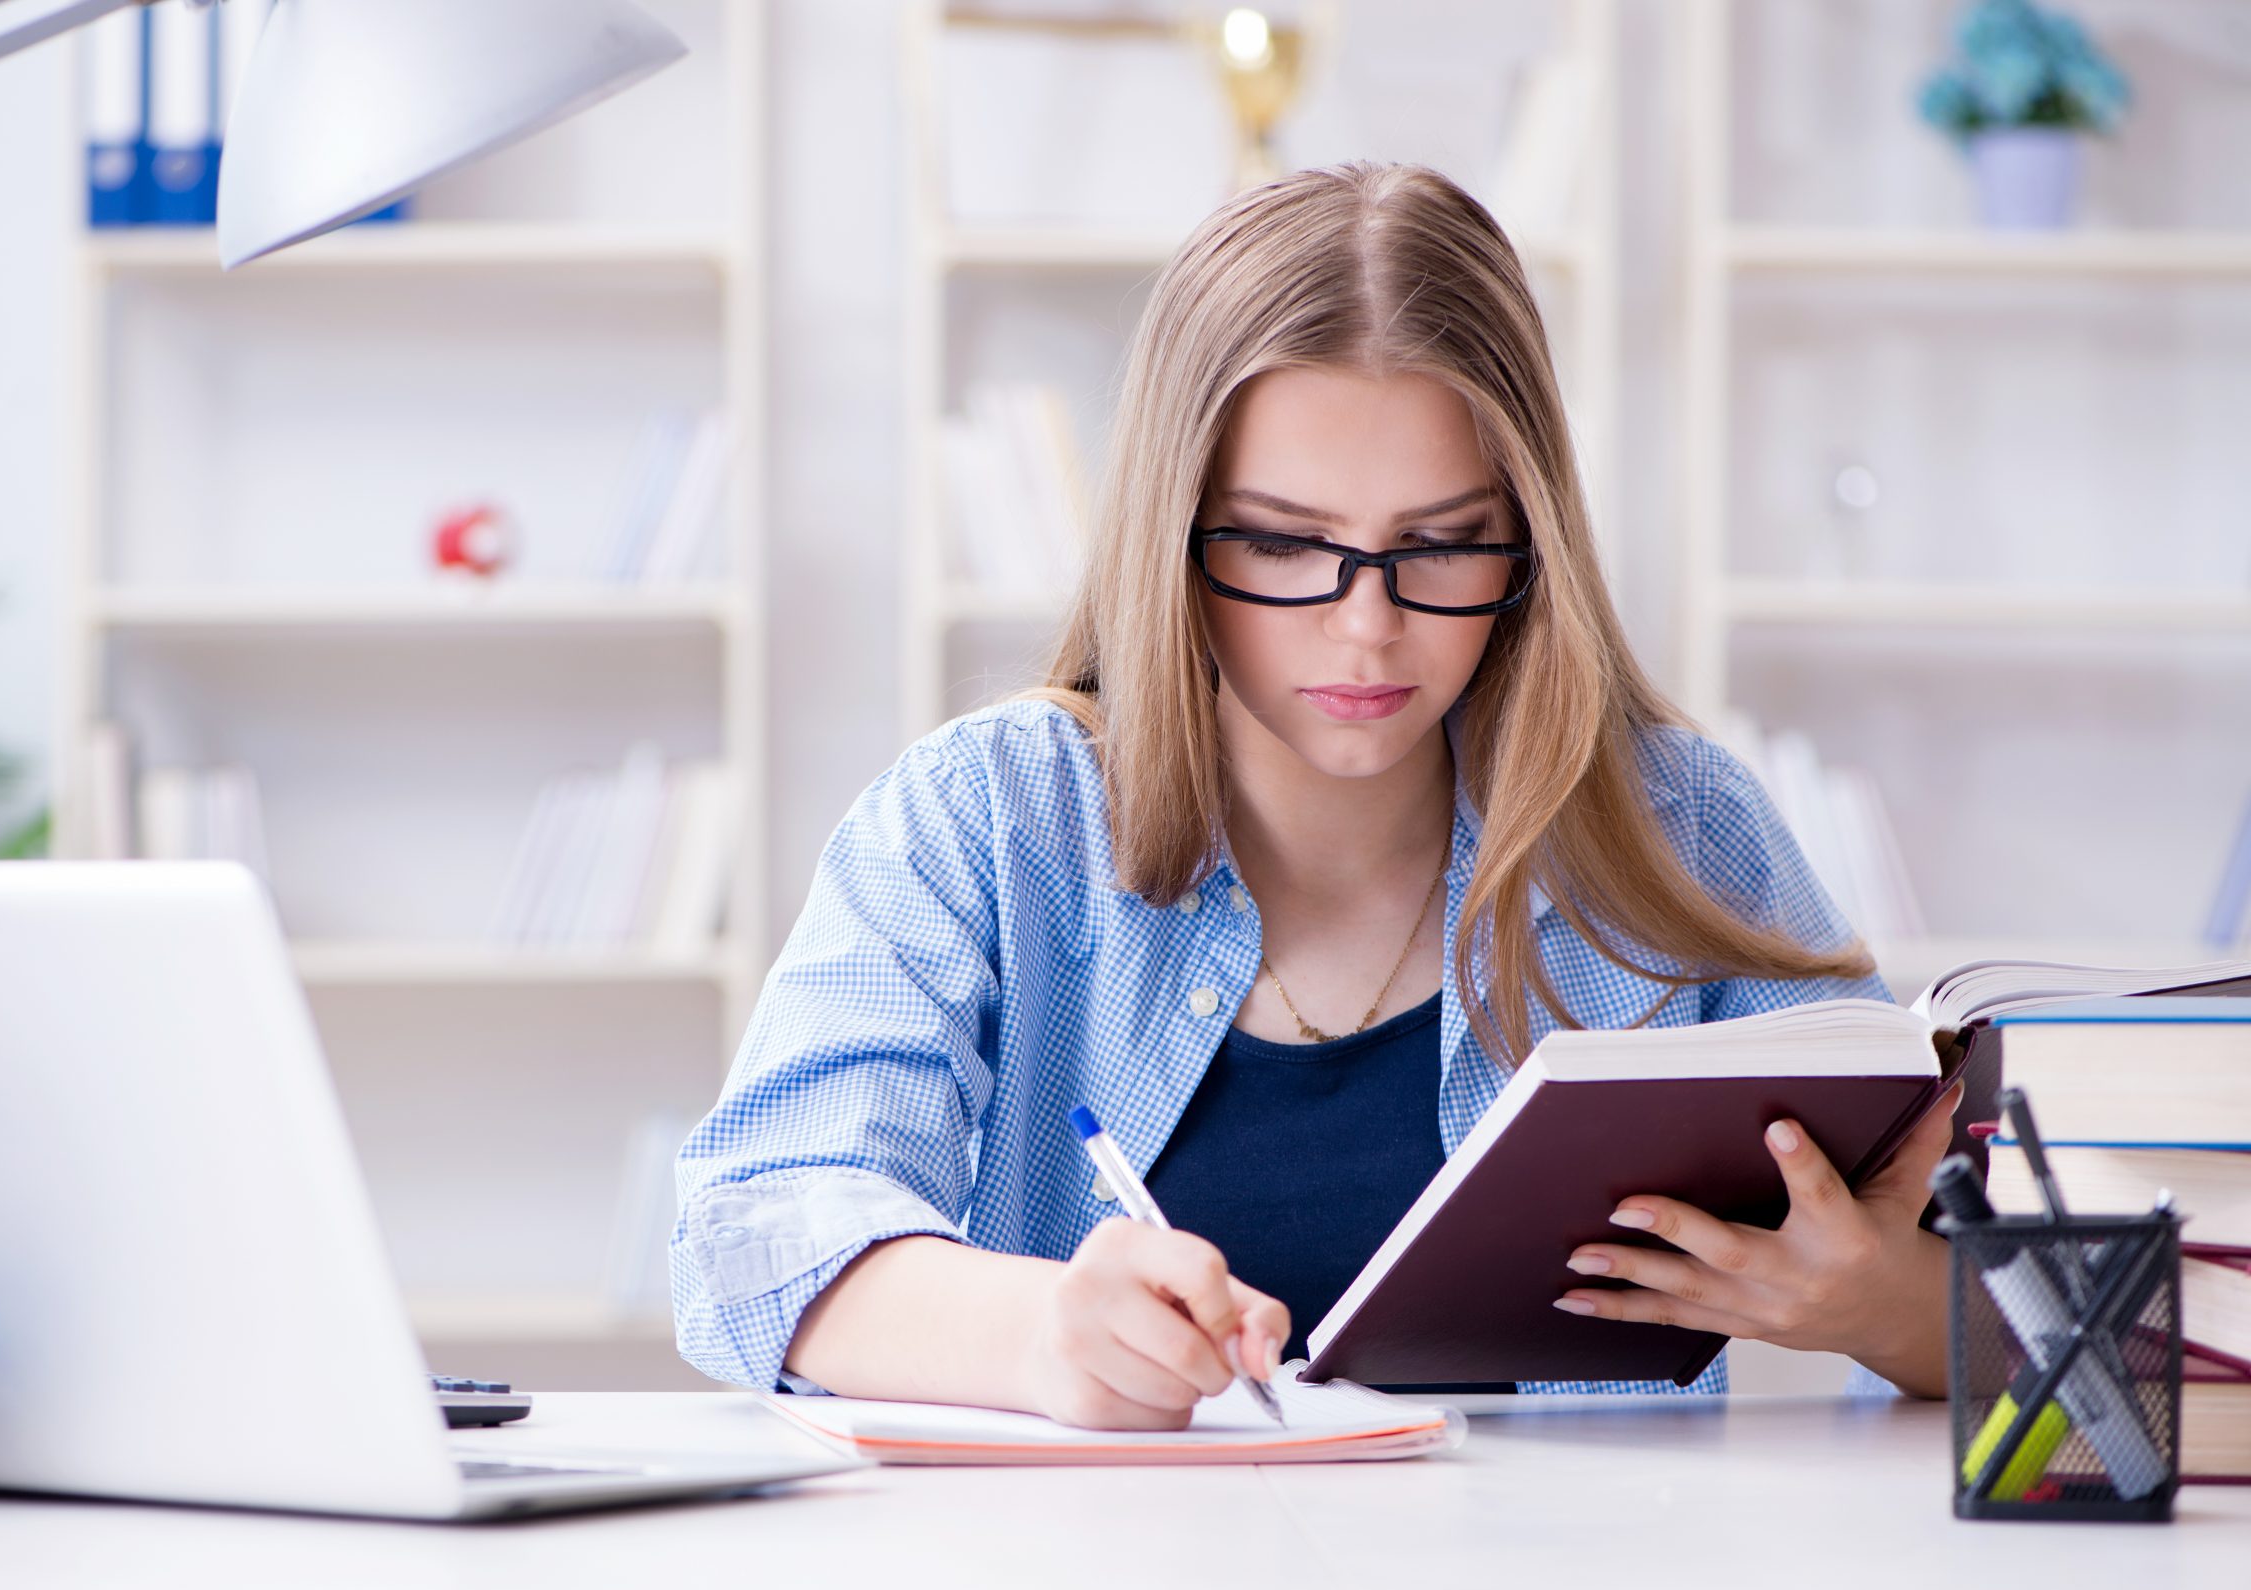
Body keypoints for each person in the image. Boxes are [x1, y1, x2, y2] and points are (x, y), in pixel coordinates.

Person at [672, 162, 1962, 1428]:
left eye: (1444, 543)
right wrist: (1041, 1336)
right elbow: (756, 1231)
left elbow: (2058, 1353)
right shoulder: (990, 815)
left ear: (1532, 535)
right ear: (1170, 535)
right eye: (1283, 542)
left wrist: (1880, 1304)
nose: (1367, 630)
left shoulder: (1673, 824)